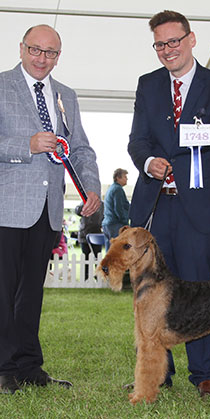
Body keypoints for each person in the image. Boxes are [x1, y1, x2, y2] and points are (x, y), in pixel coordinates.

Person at [128, 10, 210, 397]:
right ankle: (155, 373)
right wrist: (149, 163)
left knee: (203, 292)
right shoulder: (147, 85)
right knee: (151, 295)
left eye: (174, 41)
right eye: (160, 44)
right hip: (156, 208)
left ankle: (206, 375)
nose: (168, 50)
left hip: (203, 209)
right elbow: (138, 141)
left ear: (191, 39)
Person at [0, 24, 101, 394]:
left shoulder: (66, 96)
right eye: (36, 50)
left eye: (51, 53)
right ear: (21, 48)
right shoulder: (1, 85)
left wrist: (90, 185)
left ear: (59, 56)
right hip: (6, 209)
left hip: (48, 210)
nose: (43, 58)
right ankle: (3, 369)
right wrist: (25, 144)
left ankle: (29, 367)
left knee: (31, 294)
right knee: (3, 292)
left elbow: (81, 149)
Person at [102, 168, 130, 251]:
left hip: (107, 224)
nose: (127, 179)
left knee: (109, 251)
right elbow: (119, 208)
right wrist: (125, 223)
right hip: (116, 224)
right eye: (125, 177)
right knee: (117, 252)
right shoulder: (118, 189)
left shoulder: (111, 188)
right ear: (118, 178)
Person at [75, 201, 104, 279]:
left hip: (96, 234)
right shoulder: (83, 202)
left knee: (97, 257)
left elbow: (104, 217)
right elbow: (77, 211)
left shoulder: (102, 204)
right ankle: (85, 277)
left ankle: (98, 275)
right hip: (84, 234)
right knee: (85, 257)